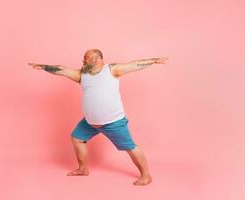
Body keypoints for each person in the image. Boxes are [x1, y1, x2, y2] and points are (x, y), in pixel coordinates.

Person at [28, 49, 168, 186]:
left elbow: (134, 64)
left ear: (102, 59)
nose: (94, 58)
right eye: (90, 56)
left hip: (113, 122)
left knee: (130, 147)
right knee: (77, 138)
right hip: (90, 122)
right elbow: (61, 70)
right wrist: (43, 67)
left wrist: (154, 61)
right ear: (85, 61)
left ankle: (146, 175)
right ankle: (83, 169)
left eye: (97, 56)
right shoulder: (81, 75)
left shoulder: (112, 69)